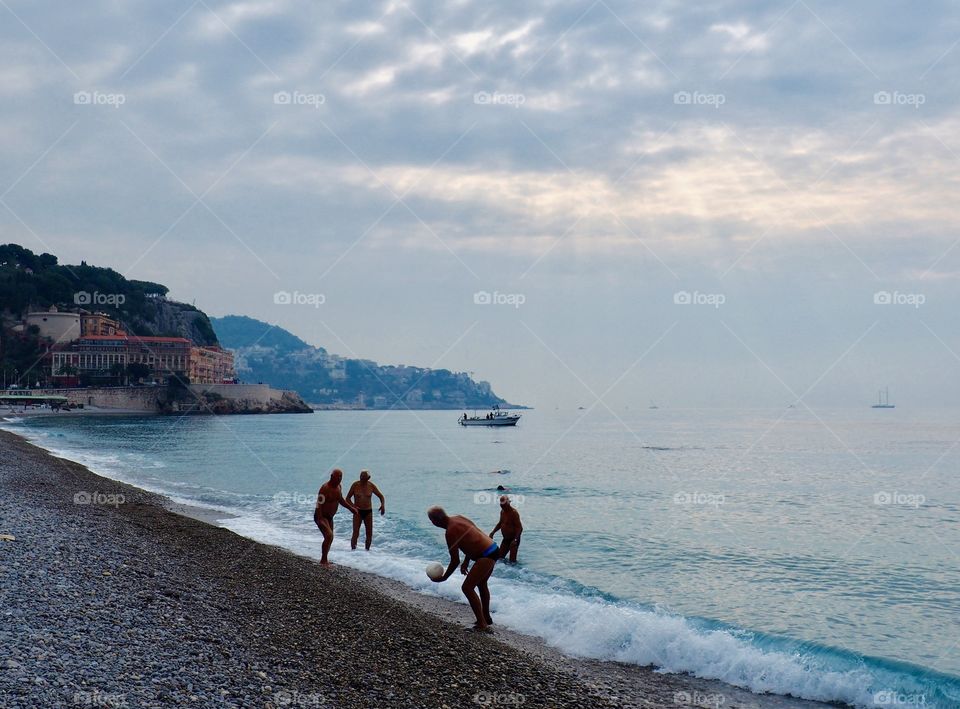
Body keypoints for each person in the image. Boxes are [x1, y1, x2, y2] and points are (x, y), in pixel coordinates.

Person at [427, 506, 498, 631]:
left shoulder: (450, 531)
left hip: (485, 555)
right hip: (493, 548)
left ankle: (482, 624)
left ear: (434, 521)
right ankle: (486, 617)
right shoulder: (458, 517)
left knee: (467, 588)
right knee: (481, 584)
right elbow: (472, 536)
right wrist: (467, 560)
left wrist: (444, 578)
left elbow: (455, 561)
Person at [313, 469, 358, 566]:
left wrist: (351, 508)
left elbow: (341, 500)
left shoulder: (339, 487)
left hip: (330, 517)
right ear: (332, 476)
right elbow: (319, 504)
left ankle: (325, 559)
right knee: (329, 536)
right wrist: (320, 518)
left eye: (341, 477)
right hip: (321, 516)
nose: (339, 479)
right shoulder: (325, 488)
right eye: (337, 477)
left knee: (330, 538)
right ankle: (323, 560)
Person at [345, 470, 386, 551]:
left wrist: (383, 505)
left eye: (364, 478)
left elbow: (381, 496)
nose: (362, 479)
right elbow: (347, 498)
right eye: (361, 477)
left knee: (369, 534)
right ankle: (353, 551)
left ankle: (367, 551)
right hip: (357, 512)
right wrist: (353, 506)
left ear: (368, 478)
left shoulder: (371, 486)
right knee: (355, 532)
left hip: (368, 511)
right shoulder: (355, 485)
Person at [490, 496, 523, 563]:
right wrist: (493, 532)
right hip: (506, 539)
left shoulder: (514, 513)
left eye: (504, 505)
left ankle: (517, 571)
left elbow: (520, 528)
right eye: (501, 505)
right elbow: (500, 523)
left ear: (508, 503)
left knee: (512, 561)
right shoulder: (502, 512)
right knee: (499, 558)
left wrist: (515, 540)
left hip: (514, 539)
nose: (502, 507)